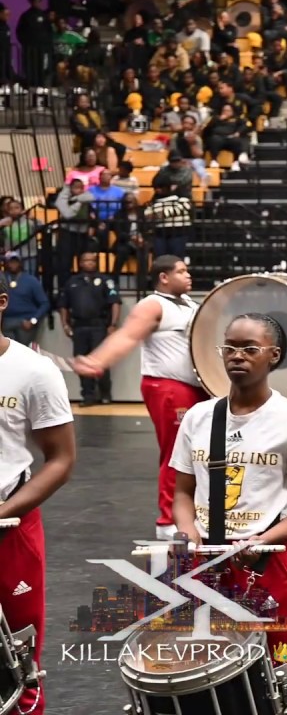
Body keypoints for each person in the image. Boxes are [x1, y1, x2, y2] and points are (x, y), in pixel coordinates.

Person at [171, 313, 287, 672]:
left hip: (268, 558)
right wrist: (187, 531)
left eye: (250, 349)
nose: (237, 356)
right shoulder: (198, 417)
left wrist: (264, 540)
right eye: (230, 348)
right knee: (207, 665)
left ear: (274, 355)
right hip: (207, 558)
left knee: (278, 662)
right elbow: (182, 493)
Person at [73, 256, 205, 538]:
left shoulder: (190, 304)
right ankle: (168, 522)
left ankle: (193, 513)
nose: (188, 275)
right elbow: (127, 335)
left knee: (198, 454)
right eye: (181, 271)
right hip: (169, 387)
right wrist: (98, 360)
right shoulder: (152, 305)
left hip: (195, 387)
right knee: (177, 453)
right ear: (164, 278)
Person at [0, 275, 76, 715]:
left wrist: (4, 512)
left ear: (2, 302)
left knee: (19, 660)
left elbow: (61, 459)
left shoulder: (33, 371)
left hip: (10, 526)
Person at [59, 251, 121, 405]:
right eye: (86, 260)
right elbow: (63, 305)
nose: (90, 263)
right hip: (79, 326)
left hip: (99, 325)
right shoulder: (72, 282)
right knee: (82, 362)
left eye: (93, 260)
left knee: (101, 360)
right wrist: (65, 324)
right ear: (80, 263)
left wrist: (113, 324)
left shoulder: (106, 281)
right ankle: (88, 395)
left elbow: (115, 302)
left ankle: (105, 394)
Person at [1, 252, 48, 347]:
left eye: (15, 262)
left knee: (23, 350)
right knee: (7, 351)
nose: (13, 264)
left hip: (26, 322)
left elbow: (45, 303)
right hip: (6, 322)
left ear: (20, 263)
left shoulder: (31, 280)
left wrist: (33, 320)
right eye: (10, 262)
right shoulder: (2, 279)